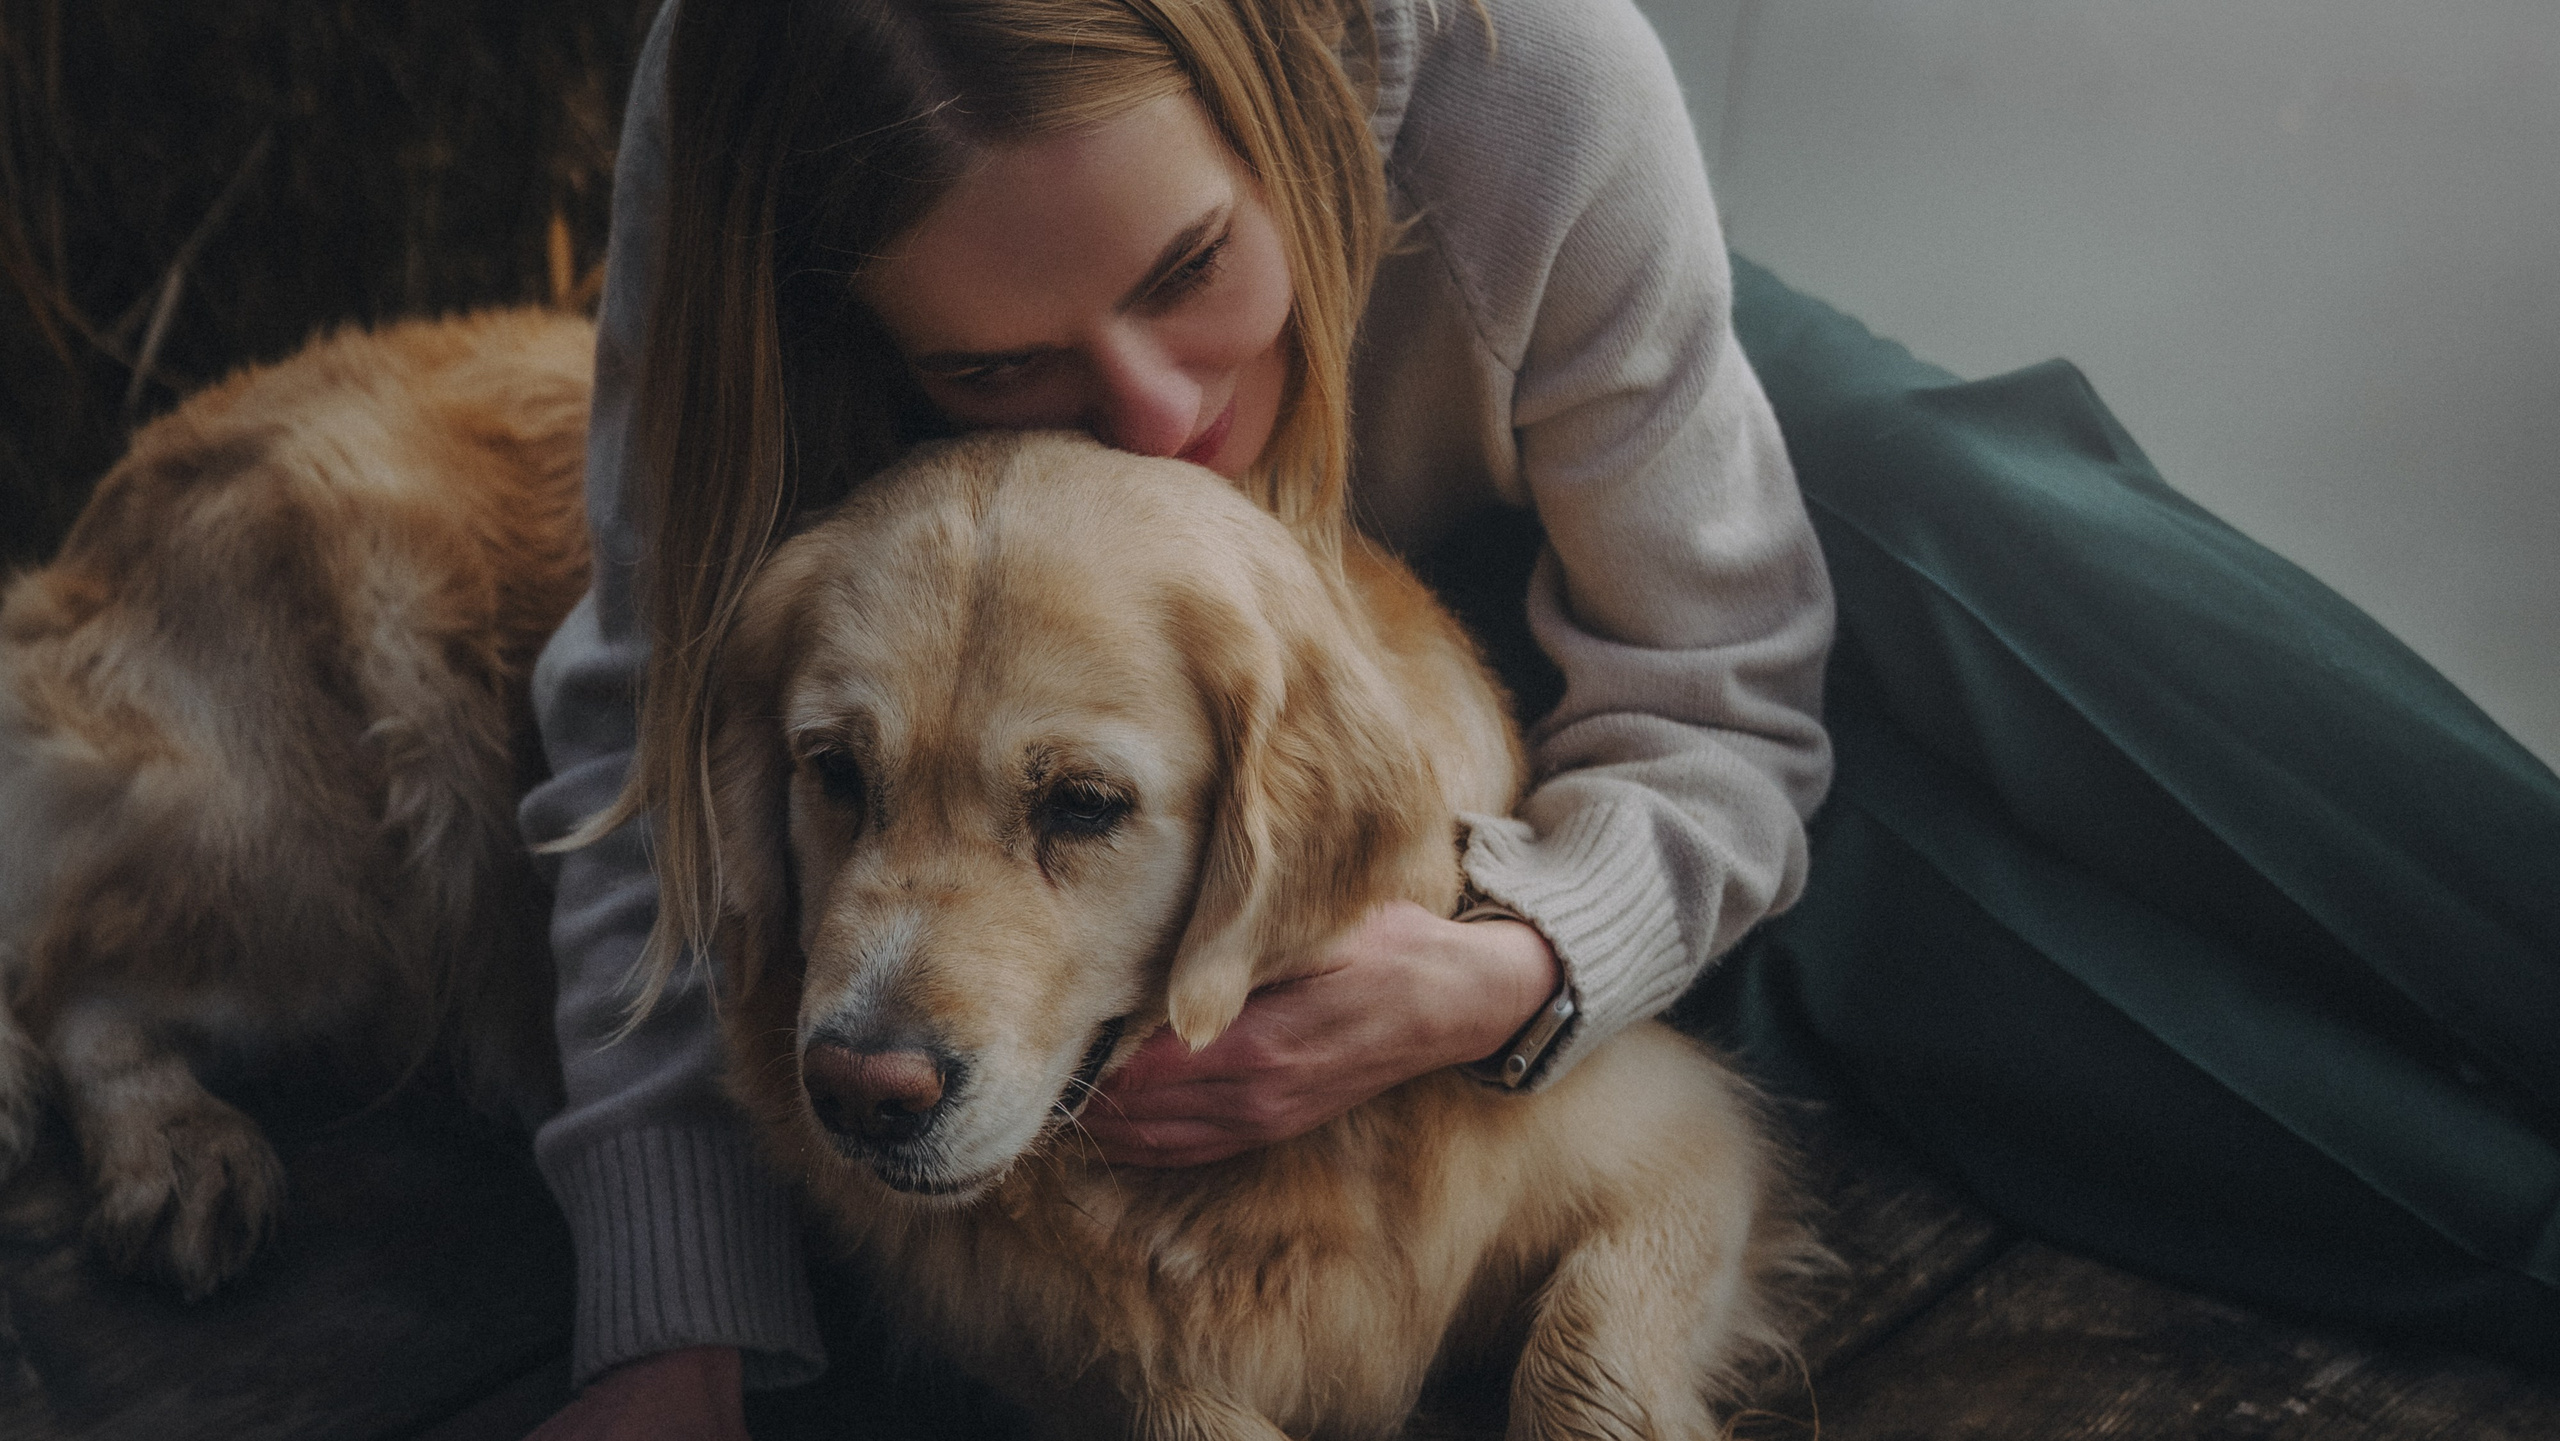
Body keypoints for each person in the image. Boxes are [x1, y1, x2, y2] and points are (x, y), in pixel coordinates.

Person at [519, 0, 2560, 1434]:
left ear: (1280, 102)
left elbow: (1728, 699)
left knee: (1933, 508)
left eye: (1191, 264)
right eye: (993, 365)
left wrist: (1515, 961)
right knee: (1888, 909)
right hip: (1175, 656)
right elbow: (639, 721)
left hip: (1522, 461)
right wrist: (666, 1309)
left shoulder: (1526, 82)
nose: (1155, 410)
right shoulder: (749, 116)